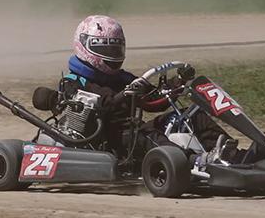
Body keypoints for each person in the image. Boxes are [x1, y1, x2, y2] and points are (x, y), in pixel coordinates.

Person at [60, 14, 236, 164]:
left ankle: (235, 156)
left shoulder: (122, 77)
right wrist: (123, 96)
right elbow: (97, 107)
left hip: (134, 132)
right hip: (108, 140)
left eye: (115, 48)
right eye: (105, 48)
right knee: (145, 134)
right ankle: (194, 162)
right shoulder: (73, 82)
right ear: (84, 46)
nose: (112, 54)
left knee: (192, 116)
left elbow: (154, 101)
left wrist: (177, 83)